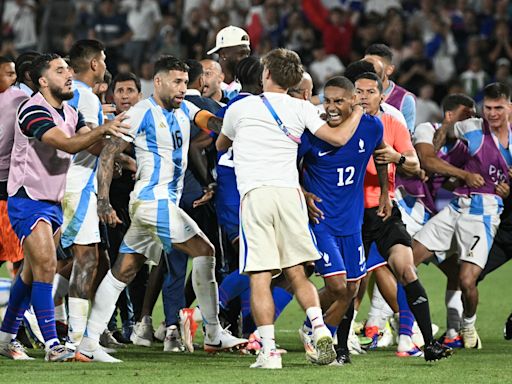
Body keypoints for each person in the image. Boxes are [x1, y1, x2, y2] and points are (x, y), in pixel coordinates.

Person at [76, 55, 246, 363]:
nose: (184, 87)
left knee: (123, 272)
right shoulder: (141, 114)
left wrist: (232, 124)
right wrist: (103, 201)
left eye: (185, 82)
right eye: (177, 82)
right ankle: (213, 333)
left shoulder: (185, 108)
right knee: (205, 251)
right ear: (158, 82)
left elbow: (208, 123)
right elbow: (108, 154)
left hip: (156, 206)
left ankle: (87, 344)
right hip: (152, 201)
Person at [216, 48, 365, 369]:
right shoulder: (302, 109)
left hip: (256, 196)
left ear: (265, 74)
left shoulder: (241, 108)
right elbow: (337, 139)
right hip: (291, 196)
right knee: (297, 272)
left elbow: (220, 145)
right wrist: (356, 113)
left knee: (260, 276)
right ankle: (320, 328)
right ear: (295, 79)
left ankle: (268, 351)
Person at [0, 53, 128, 361]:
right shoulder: (31, 110)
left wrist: (119, 153)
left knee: (30, 275)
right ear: (43, 81)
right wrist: (105, 128)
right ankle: (53, 345)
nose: (68, 74)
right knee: (46, 267)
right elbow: (68, 144)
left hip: (54, 202)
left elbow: (89, 141)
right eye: (60, 71)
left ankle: (5, 338)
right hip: (27, 199)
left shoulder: (70, 112)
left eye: (69, 69)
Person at [353, 72, 452, 361]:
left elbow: (413, 163)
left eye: (370, 91)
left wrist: (395, 158)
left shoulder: (392, 123)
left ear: (381, 95)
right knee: (349, 283)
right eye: (358, 91)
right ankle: (324, 330)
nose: (363, 97)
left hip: (385, 213)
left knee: (406, 270)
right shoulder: (340, 126)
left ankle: (423, 341)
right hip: (351, 215)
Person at [298, 75, 390, 366]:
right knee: (338, 286)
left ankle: (319, 334)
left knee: (352, 288)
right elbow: (288, 166)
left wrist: (386, 192)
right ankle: (318, 331)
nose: (332, 107)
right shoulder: (313, 132)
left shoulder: (372, 126)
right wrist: (303, 193)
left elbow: (381, 155)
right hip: (322, 220)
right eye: (327, 100)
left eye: (339, 101)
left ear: (353, 100)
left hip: (352, 222)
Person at [413, 82, 512, 349]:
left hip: (485, 214)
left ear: (509, 108)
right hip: (457, 207)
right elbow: (445, 135)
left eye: (498, 108)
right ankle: (408, 327)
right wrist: (444, 130)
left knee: (468, 280)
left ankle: (467, 325)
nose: (492, 113)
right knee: (406, 260)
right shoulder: (473, 127)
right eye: (488, 107)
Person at [60, 39, 110, 350]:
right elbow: (89, 142)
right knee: (86, 258)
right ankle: (77, 340)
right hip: (78, 184)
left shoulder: (68, 94)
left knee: (69, 258)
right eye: (103, 60)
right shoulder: (87, 97)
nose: (105, 65)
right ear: (93, 64)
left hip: (67, 182)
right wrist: (117, 143)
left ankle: (66, 332)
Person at [0, 56, 28, 277]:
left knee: (17, 255)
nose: (14, 78)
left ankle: (20, 308)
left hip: (8, 185)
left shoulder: (19, 97)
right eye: (9, 73)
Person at [364, 44, 416, 132]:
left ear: (389, 70)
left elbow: (407, 139)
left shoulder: (405, 99)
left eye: (376, 65)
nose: (370, 69)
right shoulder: (355, 94)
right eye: (366, 64)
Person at [207, 25, 250, 101]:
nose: (246, 59)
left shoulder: (249, 86)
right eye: (241, 54)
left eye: (248, 54)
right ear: (223, 54)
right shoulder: (208, 87)